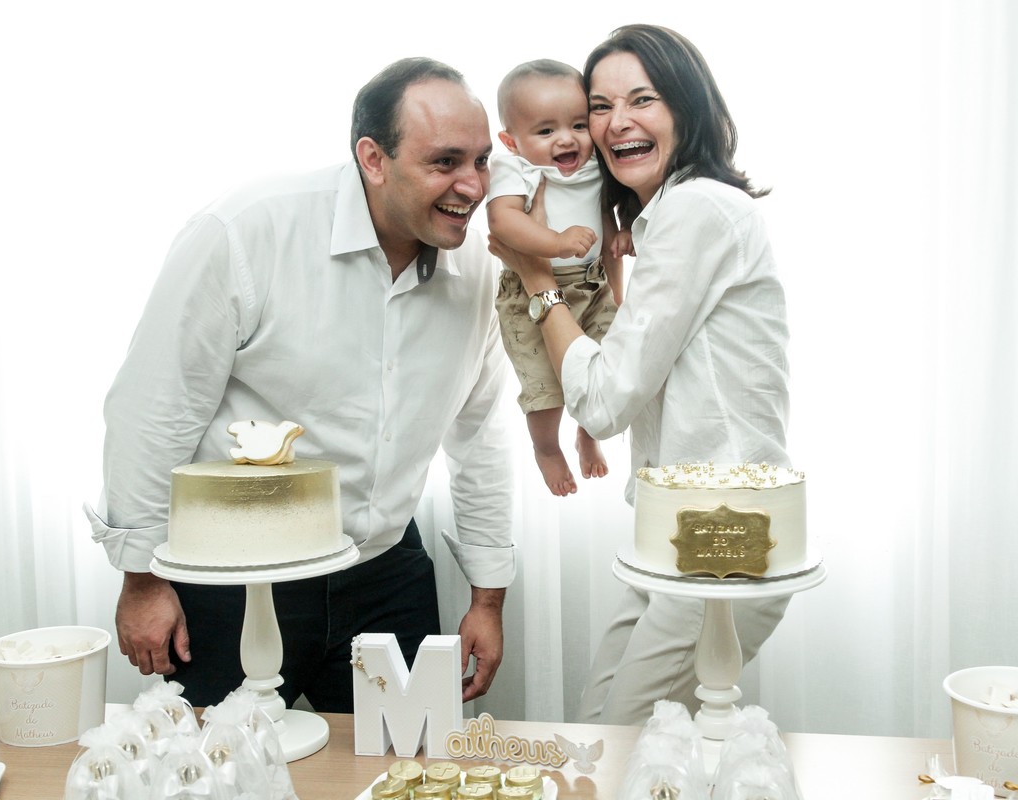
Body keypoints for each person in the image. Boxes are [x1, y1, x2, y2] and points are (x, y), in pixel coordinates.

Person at [86, 58, 514, 712]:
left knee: (408, 760)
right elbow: (154, 409)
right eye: (445, 162)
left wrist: (488, 599)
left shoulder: (482, 270)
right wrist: (141, 579)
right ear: (373, 159)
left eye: (482, 161)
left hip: (386, 572)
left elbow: (480, 437)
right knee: (231, 763)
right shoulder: (247, 230)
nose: (474, 186)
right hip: (237, 579)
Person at [489, 25, 792, 725]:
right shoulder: (661, 220)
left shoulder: (697, 209)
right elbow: (624, 364)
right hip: (675, 524)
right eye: (600, 106)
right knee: (600, 732)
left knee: (623, 743)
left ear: (686, 106)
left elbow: (602, 403)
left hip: (722, 531)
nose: (616, 121)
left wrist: (537, 280)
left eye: (642, 99)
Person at [487, 59, 630, 497]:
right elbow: (503, 222)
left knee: (606, 369)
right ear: (512, 141)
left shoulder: (596, 164)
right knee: (546, 387)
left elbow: (607, 213)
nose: (567, 139)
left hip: (594, 284)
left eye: (578, 125)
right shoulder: (517, 169)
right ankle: (547, 447)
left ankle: (588, 433)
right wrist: (555, 241)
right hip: (531, 293)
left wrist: (622, 237)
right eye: (546, 131)